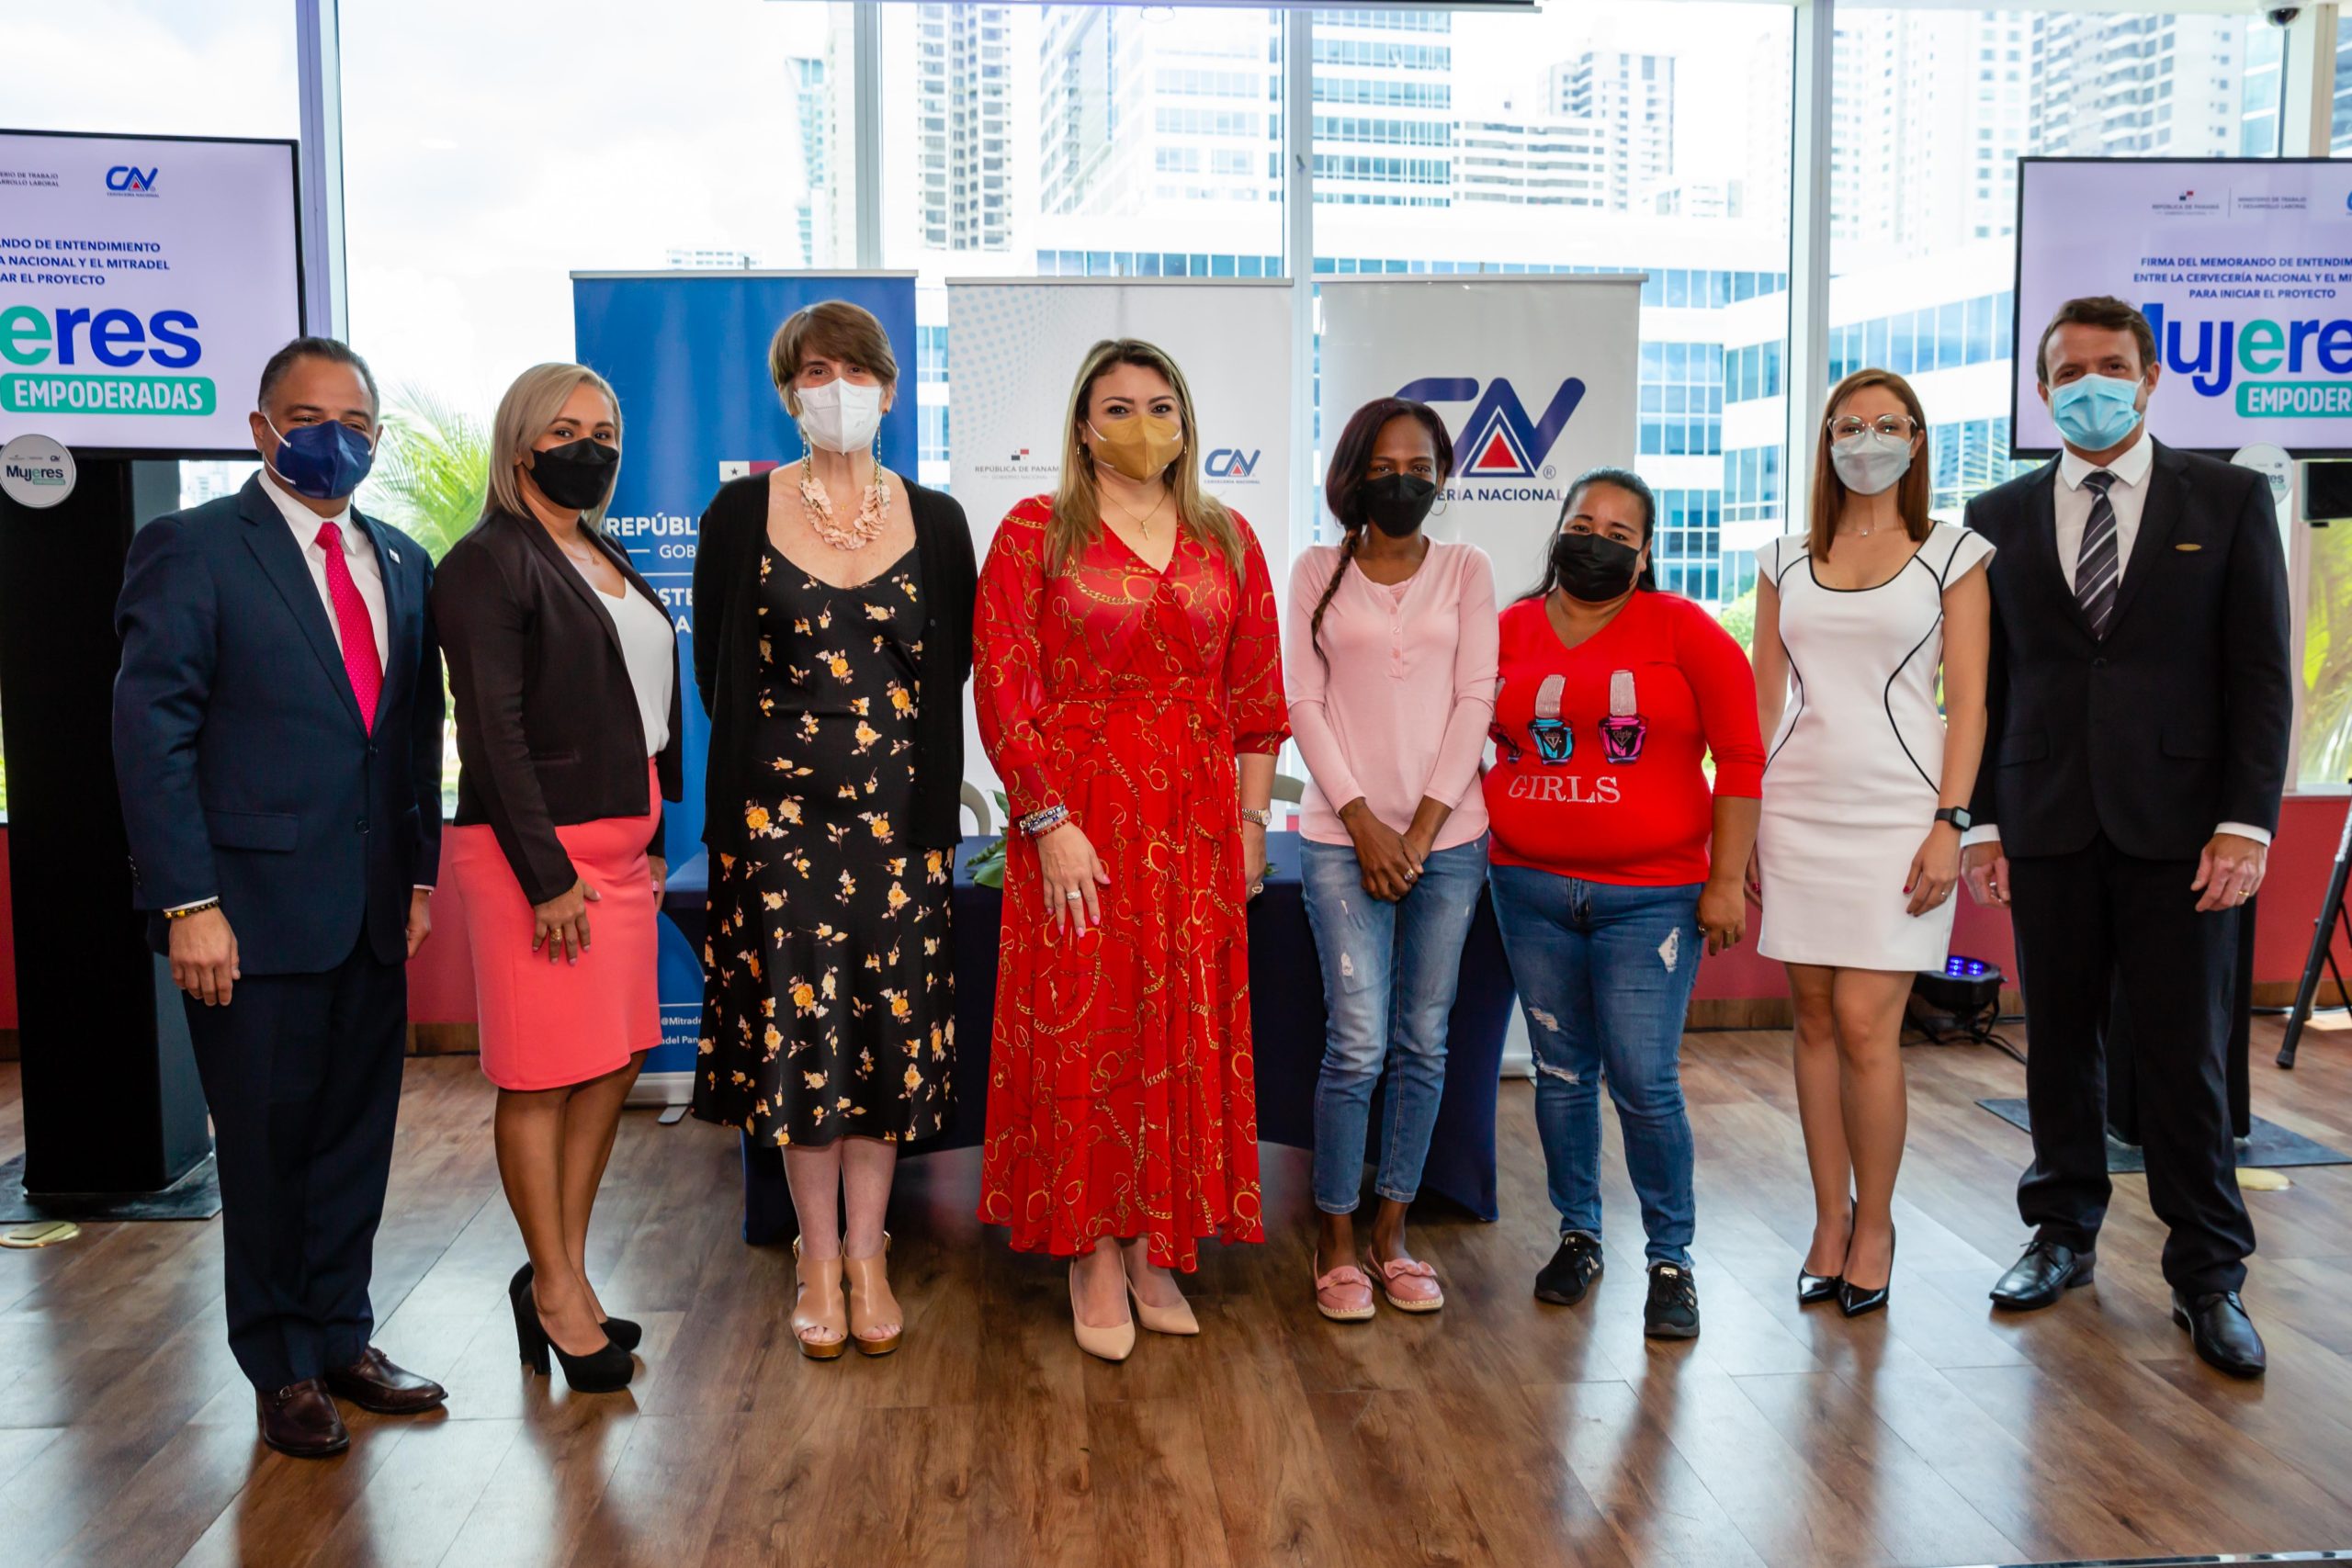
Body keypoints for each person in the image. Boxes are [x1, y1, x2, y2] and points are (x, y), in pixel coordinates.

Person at [113, 337, 448, 1457]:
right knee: (264, 1149)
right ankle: (281, 1365)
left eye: (354, 419)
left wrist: (416, 872)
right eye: (306, 414)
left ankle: (344, 1338)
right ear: (260, 427)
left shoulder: (400, 562)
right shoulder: (194, 549)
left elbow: (409, 738)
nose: (332, 436)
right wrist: (187, 902)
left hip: (368, 912)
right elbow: (151, 734)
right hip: (245, 918)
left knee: (355, 1140)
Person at [1962, 296, 2291, 1378]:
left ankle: (2209, 1276)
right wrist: (1983, 821)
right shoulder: (1996, 513)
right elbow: (1989, 686)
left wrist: (2245, 824)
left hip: (2183, 833)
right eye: (2068, 369)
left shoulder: (2231, 498)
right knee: (2056, 1041)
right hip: (2045, 817)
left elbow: (2258, 678)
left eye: (2111, 366)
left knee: (2181, 1059)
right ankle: (2060, 1233)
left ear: (2149, 380)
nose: (2089, 383)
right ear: (2042, 385)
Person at [974, 337, 1287, 1362]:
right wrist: (1044, 821)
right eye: (1116, 407)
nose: (1140, 424)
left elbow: (1255, 706)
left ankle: (1157, 1242)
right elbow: (1004, 688)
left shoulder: (1227, 537)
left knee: (1177, 1029)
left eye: (1159, 405)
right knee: (1087, 1031)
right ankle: (1091, 1250)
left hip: (1195, 825)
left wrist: (1249, 826)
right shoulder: (1034, 533)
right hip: (1077, 820)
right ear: (1079, 425)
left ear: (1186, 424)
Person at [691, 301, 977, 1360]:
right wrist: (786, 777)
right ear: (787, 392)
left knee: (887, 1041)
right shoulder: (736, 514)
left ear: (890, 389)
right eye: (816, 372)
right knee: (804, 1044)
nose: (838, 387)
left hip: (899, 823)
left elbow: (943, 676)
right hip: (778, 830)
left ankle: (871, 1252)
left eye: (856, 371)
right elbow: (719, 674)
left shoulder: (938, 521)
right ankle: (817, 1257)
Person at [434, 363, 682, 1393]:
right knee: (543, 1074)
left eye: (606, 427)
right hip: (535, 859)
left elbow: (645, 700)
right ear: (521, 442)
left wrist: (662, 829)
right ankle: (556, 1291)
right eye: (567, 427)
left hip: (624, 855)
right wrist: (547, 878)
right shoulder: (487, 563)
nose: (591, 444)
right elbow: (489, 732)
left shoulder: (599, 550)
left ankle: (560, 1271)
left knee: (616, 1059)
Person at [1484, 468, 1763, 1341]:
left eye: (1618, 530)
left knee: (1644, 1082)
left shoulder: (1682, 629)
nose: (1595, 539)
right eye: (1582, 521)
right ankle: (1580, 1234)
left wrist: (1725, 879)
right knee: (1562, 1075)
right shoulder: (1505, 632)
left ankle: (1670, 1258)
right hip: (1526, 887)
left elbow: (1742, 757)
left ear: (1645, 553)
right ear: (1558, 531)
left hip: (1652, 899)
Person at [1750, 369, 1994, 1318]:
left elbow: (1968, 702)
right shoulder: (1781, 559)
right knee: (1811, 1022)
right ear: (1826, 441)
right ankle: (1826, 1221)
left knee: (1864, 1027)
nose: (1866, 440)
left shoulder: (1953, 554)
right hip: (1797, 810)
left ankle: (1878, 1224)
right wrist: (1747, 829)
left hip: (1902, 816)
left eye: (1886, 425)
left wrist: (1950, 823)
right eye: (1848, 426)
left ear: (1916, 439)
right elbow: (1763, 707)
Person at [1284, 397, 1496, 1323]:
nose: (1402, 480)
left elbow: (1475, 700)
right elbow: (1302, 705)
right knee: (1357, 1041)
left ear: (1442, 476)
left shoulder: (1467, 568)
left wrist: (1418, 834)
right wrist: (1366, 823)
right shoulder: (1315, 571)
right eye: (1384, 465)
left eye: (1420, 466)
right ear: (1353, 475)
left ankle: (1392, 1233)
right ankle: (1334, 1236)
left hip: (1449, 842)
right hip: (1340, 841)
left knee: (1423, 1040)